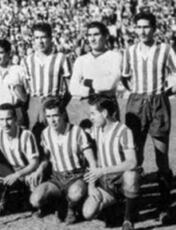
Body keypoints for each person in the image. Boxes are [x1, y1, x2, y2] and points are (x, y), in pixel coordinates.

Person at [121, 12, 176, 223]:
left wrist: (166, 92)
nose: (142, 31)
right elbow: (126, 77)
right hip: (136, 104)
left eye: (146, 27)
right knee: (135, 155)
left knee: (162, 157)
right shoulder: (130, 51)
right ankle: (132, 211)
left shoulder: (164, 49)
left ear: (154, 28)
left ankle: (164, 207)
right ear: (134, 29)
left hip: (158, 101)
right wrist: (136, 93)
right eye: (139, 27)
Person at [29, 99, 96, 224]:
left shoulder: (77, 132)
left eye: (55, 115)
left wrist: (91, 185)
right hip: (57, 177)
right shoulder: (45, 133)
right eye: (48, 116)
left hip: (76, 175)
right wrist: (39, 170)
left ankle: (72, 207)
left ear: (63, 115)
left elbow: (92, 161)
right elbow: (46, 157)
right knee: (35, 199)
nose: (52, 120)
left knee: (76, 193)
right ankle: (60, 204)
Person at [82, 96, 140, 230]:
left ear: (104, 113)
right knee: (87, 212)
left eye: (93, 113)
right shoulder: (96, 129)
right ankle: (117, 207)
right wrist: (91, 186)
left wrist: (103, 171)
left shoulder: (124, 131)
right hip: (107, 182)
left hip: (122, 179)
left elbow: (132, 162)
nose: (90, 117)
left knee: (131, 175)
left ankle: (128, 220)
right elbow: (93, 160)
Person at [0, 103, 40, 224]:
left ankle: (19, 199)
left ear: (15, 119)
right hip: (11, 171)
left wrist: (18, 175)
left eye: (8, 119)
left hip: (27, 173)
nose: (5, 123)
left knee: (35, 202)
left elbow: (34, 163)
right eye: (1, 119)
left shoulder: (26, 135)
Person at [21, 22, 72, 141]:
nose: (40, 41)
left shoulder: (61, 58)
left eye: (43, 37)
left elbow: (70, 88)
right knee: (36, 142)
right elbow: (26, 89)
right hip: (35, 105)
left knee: (60, 141)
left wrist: (60, 105)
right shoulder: (27, 60)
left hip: (54, 102)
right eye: (37, 38)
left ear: (50, 38)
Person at [70, 21, 122, 119]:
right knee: (87, 134)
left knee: (110, 133)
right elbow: (73, 87)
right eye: (89, 35)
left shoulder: (115, 57)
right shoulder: (81, 60)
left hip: (108, 105)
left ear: (106, 36)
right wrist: (93, 89)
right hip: (87, 105)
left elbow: (109, 84)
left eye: (96, 35)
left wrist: (86, 82)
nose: (92, 39)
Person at [0, 39, 28, 127]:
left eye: (0, 53)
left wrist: (19, 91)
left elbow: (26, 97)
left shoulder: (19, 70)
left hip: (15, 111)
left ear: (8, 53)